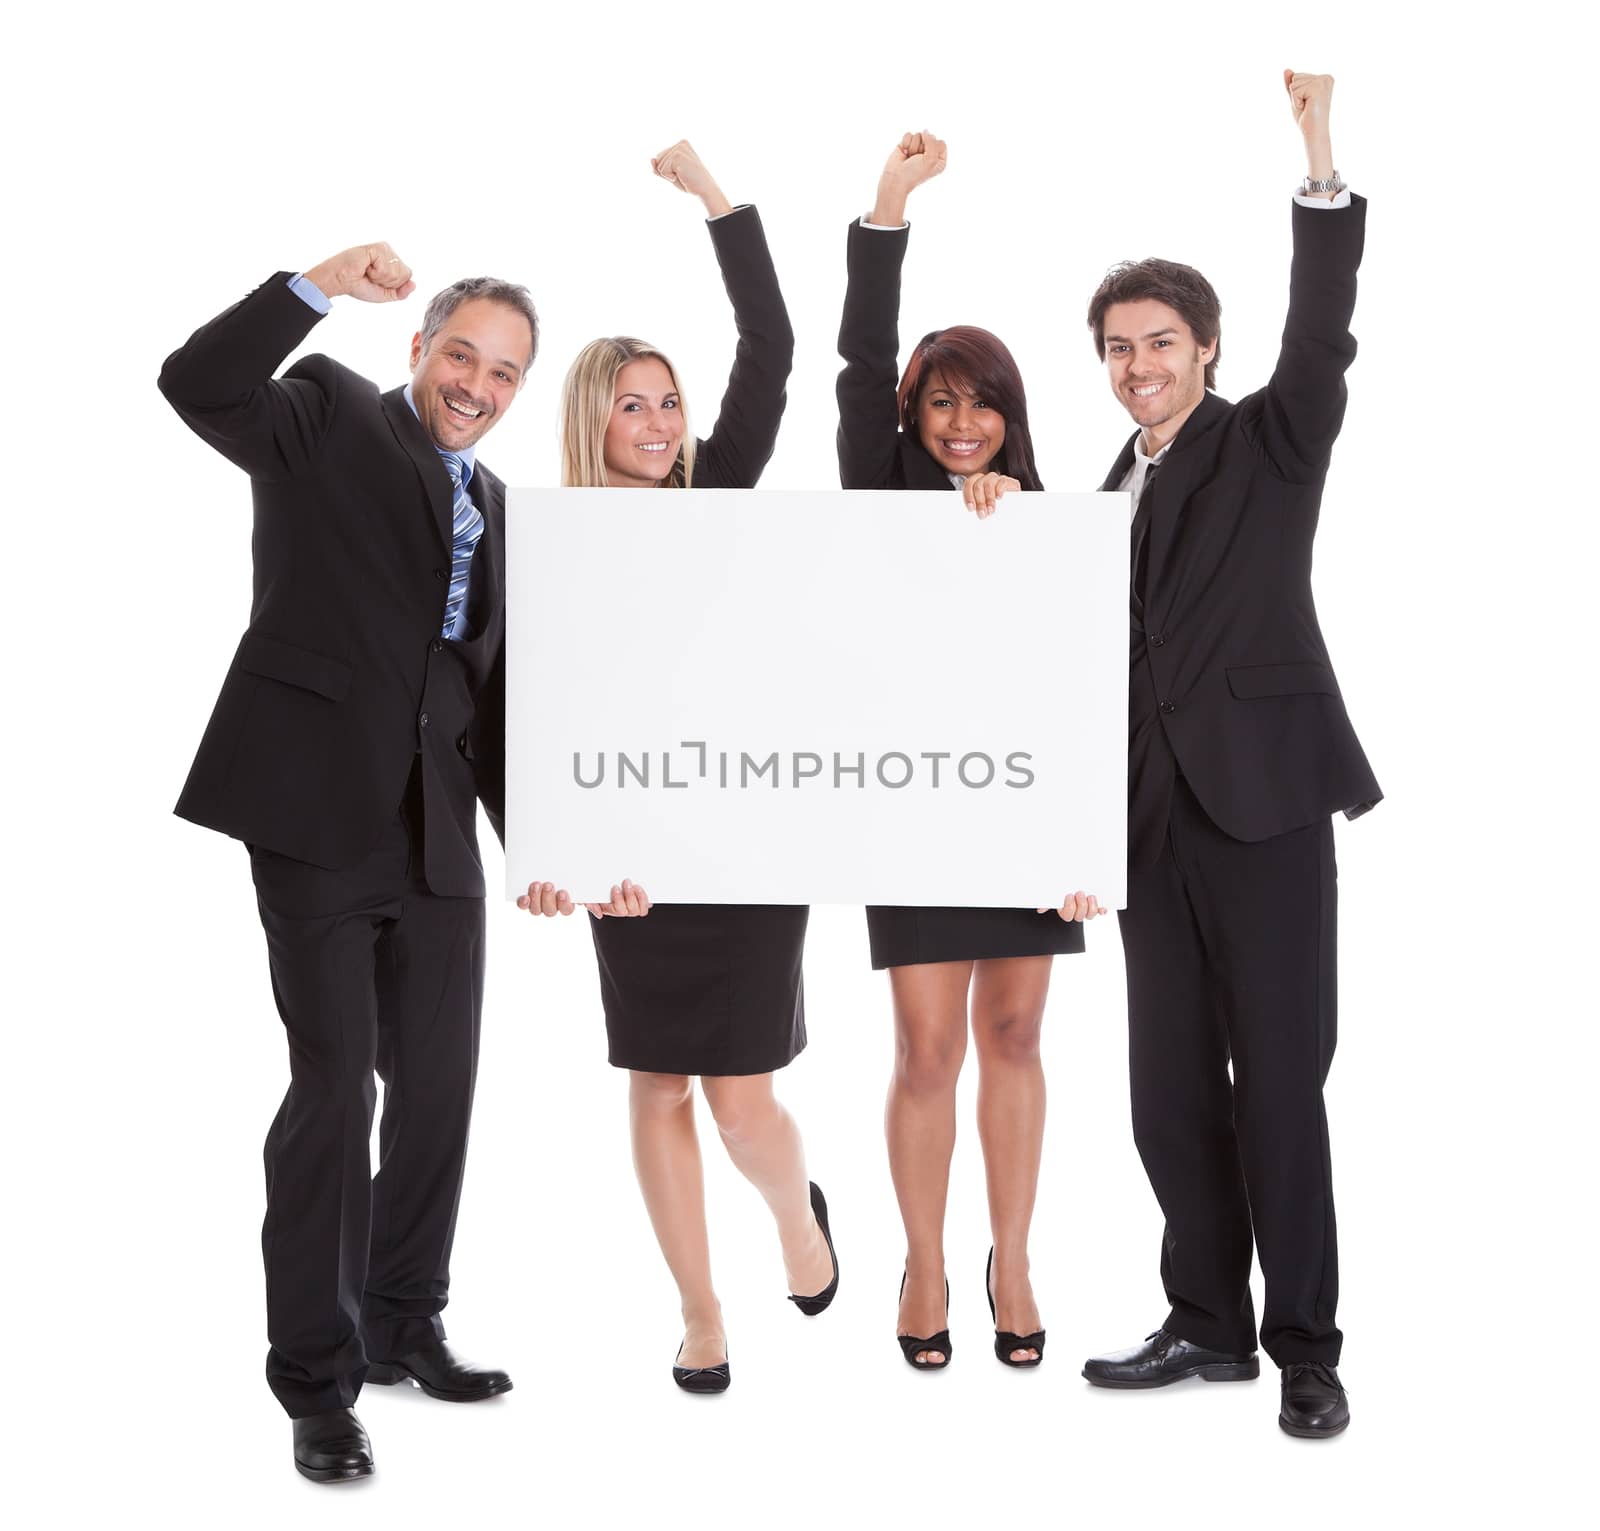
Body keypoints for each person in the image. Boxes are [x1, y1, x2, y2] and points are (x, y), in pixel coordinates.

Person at [159, 248, 539, 1482]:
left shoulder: (503, 505)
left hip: (439, 831)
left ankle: (402, 1320)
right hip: (319, 815)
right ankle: (316, 1383)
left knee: (438, 1086)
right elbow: (196, 382)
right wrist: (309, 285)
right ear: (418, 348)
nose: (477, 384)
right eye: (462, 355)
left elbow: (490, 695)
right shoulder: (324, 412)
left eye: (504, 371)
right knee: (337, 1094)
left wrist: (554, 841)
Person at [1078, 72, 1380, 1439]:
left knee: (1280, 1083)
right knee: (1165, 1091)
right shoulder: (1099, 492)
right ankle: (1204, 1321)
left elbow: (1323, 331)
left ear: (1207, 347)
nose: (1139, 366)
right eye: (1118, 350)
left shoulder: (1271, 438)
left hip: (1261, 811)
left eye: (1160, 342)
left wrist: (1318, 159)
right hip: (1142, 828)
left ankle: (1305, 1345)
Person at [532, 141, 836, 1395]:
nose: (659, 424)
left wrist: (720, 203)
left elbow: (771, 348)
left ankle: (794, 1217)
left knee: (739, 1099)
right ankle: (700, 1311)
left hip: (746, 838)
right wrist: (558, 855)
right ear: (593, 417)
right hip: (628, 856)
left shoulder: (721, 495)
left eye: (668, 401)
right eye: (634, 403)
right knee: (656, 1086)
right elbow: (529, 713)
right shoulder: (544, 544)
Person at [837, 131, 1104, 1372]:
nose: (961, 422)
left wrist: (1082, 835)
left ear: (1011, 412)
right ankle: (927, 1261)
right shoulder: (878, 500)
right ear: (912, 413)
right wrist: (889, 208)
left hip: (1026, 812)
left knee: (1012, 1039)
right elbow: (853, 367)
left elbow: (1085, 685)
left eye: (980, 400)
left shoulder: (1051, 525)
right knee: (926, 1048)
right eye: (939, 401)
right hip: (911, 809)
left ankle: (1016, 1257)